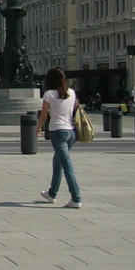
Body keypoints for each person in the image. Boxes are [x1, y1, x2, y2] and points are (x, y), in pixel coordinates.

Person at [35, 66, 82, 208]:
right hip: (71, 132)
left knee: (67, 165)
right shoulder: (71, 92)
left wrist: (37, 129)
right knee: (58, 162)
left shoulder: (49, 94)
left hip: (58, 132)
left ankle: (76, 198)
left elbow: (44, 116)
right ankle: (52, 193)